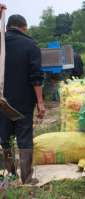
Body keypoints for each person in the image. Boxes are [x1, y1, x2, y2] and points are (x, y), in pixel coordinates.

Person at [0, 14, 45, 184]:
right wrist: (40, 102)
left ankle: (10, 175)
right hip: (23, 101)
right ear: (24, 27)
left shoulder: (1, 43)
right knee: (24, 136)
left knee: (4, 137)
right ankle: (26, 178)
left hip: (1, 100)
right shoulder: (30, 45)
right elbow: (36, 77)